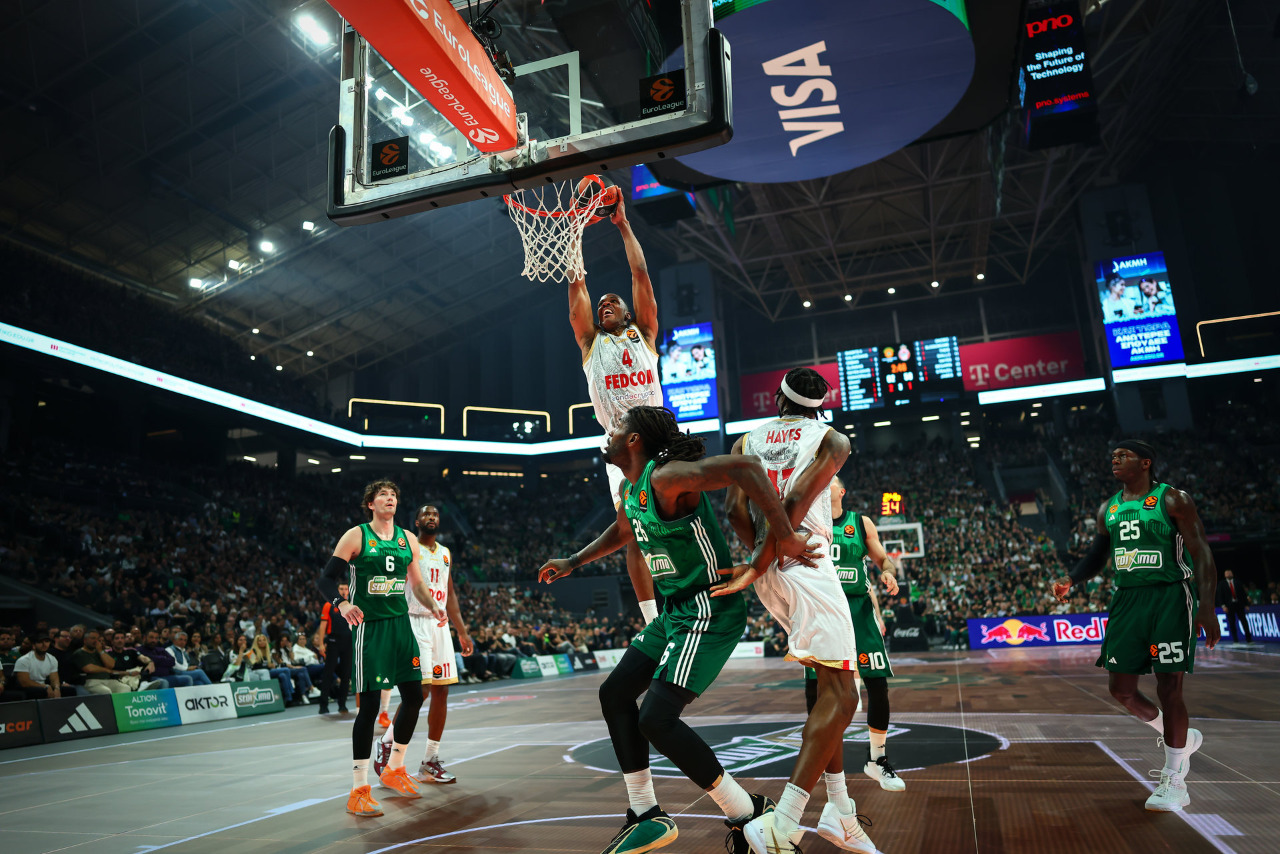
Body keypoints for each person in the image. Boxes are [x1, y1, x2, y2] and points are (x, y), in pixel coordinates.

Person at [539, 405, 817, 854]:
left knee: (656, 718)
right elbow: (624, 530)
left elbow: (747, 467)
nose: (610, 434)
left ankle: (747, 811)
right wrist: (574, 561)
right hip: (675, 611)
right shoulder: (633, 489)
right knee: (614, 694)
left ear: (634, 440)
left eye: (618, 428)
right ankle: (645, 812)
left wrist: (783, 535)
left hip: (708, 608)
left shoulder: (667, 478)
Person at [715, 367, 873, 854]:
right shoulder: (833, 440)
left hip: (772, 573)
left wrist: (760, 561)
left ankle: (840, 811)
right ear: (820, 406)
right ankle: (781, 824)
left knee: (830, 692)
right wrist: (777, 550)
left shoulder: (746, 440)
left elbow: (734, 511)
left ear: (778, 400)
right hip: (807, 560)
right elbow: (798, 499)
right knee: (844, 697)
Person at [1052, 439, 1221, 812]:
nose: (1115, 459)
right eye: (1112, 456)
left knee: (1169, 686)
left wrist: (1207, 604)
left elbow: (1201, 551)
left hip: (1169, 596)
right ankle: (1179, 738)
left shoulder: (1173, 499)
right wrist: (1072, 578)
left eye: (1123, 455)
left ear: (1145, 463)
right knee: (1121, 690)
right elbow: (1097, 555)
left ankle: (1175, 779)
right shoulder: (1108, 509)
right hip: (1127, 599)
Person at [316, 480, 447, 818]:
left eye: (394, 495)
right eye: (383, 495)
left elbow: (417, 583)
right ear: (371, 504)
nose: (390, 499)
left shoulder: (408, 539)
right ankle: (359, 789)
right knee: (370, 707)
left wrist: (434, 606)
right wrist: (342, 604)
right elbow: (325, 579)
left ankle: (395, 768)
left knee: (415, 697)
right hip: (371, 628)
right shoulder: (356, 536)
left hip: (401, 625)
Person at [569, 195, 663, 627]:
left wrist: (623, 224)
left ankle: (694, 596)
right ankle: (652, 619)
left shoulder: (644, 334)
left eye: (613, 301)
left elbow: (640, 273)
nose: (604, 304)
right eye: (601, 304)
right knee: (632, 529)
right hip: (619, 445)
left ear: (628, 312)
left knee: (678, 517)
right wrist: (573, 232)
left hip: (659, 437)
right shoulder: (591, 343)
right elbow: (577, 286)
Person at [814, 476, 905, 795]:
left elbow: (883, 559)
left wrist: (889, 573)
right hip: (824, 613)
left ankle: (877, 760)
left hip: (859, 610)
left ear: (842, 491)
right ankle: (822, 762)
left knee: (877, 684)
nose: (823, 482)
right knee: (817, 692)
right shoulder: (808, 524)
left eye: (830, 480)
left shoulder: (860, 522)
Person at [374, 504, 475, 786]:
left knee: (442, 691)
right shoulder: (408, 547)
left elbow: (450, 593)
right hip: (414, 621)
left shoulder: (445, 553)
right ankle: (387, 742)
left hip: (439, 626)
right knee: (420, 691)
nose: (432, 517)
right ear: (417, 521)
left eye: (436, 514)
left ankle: (430, 761)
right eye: (426, 514)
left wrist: (462, 631)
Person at [315, 583, 352, 714]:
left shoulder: (352, 604)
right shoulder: (328, 605)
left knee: (346, 674)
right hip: (333, 641)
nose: (343, 591)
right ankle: (323, 705)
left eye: (346, 589)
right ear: (337, 590)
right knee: (328, 673)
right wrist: (320, 644)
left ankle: (342, 704)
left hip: (348, 642)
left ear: (349, 590)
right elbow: (322, 625)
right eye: (341, 589)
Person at [12, 635, 61, 700]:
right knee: (42, 691)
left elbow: (54, 679)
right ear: (34, 645)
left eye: (46, 641)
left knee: (68, 690)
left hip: (44, 686)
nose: (44, 644)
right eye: (40, 642)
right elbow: (24, 683)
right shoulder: (23, 660)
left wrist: (57, 688)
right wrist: (45, 686)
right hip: (28, 688)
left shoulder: (52, 659)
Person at [1216, 569, 1253, 645]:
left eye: (1230, 573)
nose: (1229, 574)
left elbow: (1243, 594)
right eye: (1227, 573)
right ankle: (1236, 640)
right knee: (1232, 623)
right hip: (1229, 606)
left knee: (1244, 622)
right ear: (1225, 575)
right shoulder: (1222, 584)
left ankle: (1249, 640)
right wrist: (1223, 606)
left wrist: (1246, 604)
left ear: (1232, 574)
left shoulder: (1238, 582)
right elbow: (1220, 596)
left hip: (1239, 604)